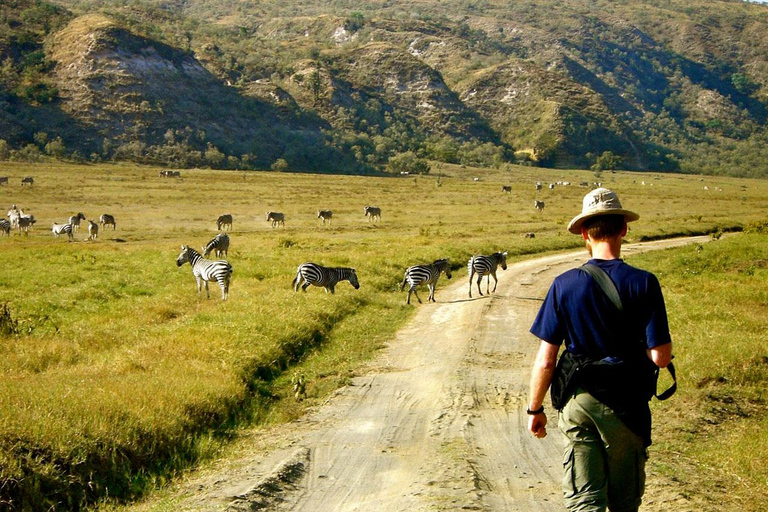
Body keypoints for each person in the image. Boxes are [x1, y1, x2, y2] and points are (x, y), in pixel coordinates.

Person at [526, 187, 673, 512]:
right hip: (627, 407)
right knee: (624, 503)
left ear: (583, 233)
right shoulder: (644, 282)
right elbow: (660, 357)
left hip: (580, 403)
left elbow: (546, 360)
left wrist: (535, 409)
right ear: (623, 229)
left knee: (584, 501)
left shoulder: (564, 284)